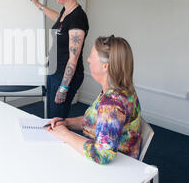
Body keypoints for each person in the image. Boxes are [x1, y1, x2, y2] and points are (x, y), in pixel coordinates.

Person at [45, 35, 142, 165]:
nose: (88, 59)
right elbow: (93, 121)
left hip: (116, 170)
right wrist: (66, 122)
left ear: (105, 66)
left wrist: (65, 135)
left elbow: (102, 155)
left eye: (92, 56)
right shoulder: (119, 91)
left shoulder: (113, 103)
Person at [29, 0, 89, 119]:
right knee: (51, 116)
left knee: (56, 120)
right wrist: (38, 5)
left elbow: (73, 59)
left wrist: (64, 87)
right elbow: (58, 20)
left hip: (64, 75)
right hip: (55, 70)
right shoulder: (66, 11)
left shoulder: (78, 18)